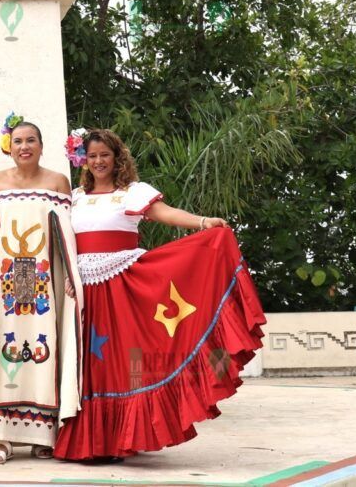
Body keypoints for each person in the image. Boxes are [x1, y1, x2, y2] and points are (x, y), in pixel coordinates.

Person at [53, 129, 266, 461]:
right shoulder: (75, 197)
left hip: (123, 284)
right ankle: (92, 440)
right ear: (84, 160)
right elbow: (65, 240)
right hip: (85, 289)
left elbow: (165, 214)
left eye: (104, 155)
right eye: (92, 156)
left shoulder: (132, 193)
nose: (98, 162)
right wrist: (70, 271)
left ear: (117, 157)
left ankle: (122, 438)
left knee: (123, 361)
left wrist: (203, 222)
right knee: (90, 365)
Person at [0, 115, 83, 464]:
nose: (24, 147)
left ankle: (44, 436)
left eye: (31, 141)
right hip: (5, 282)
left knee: (46, 349)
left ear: (41, 146)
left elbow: (66, 238)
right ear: (8, 147)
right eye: (18, 141)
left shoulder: (58, 182)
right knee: (4, 350)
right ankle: (3, 437)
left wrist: (71, 275)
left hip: (45, 282)